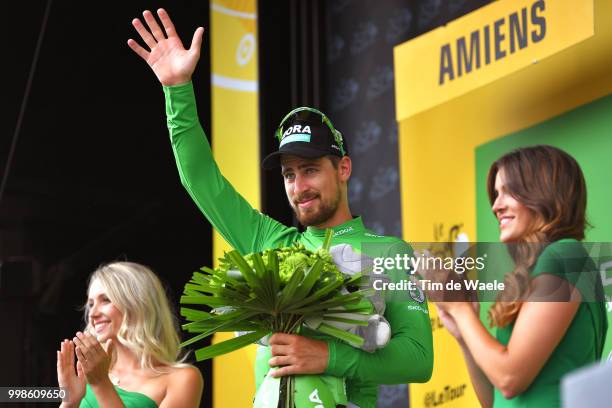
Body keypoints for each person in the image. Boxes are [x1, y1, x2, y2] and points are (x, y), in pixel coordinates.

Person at [126, 8, 433, 408]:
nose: (299, 186)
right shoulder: (268, 242)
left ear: (343, 168)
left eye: (310, 170)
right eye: (289, 174)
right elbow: (201, 180)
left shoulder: (390, 253)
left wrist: (327, 356)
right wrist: (177, 89)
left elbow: (419, 359)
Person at [431, 145, 608, 407]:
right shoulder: (549, 265)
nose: (496, 206)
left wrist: (459, 309)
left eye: (508, 192)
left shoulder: (565, 255)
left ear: (544, 190)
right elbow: (494, 399)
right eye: (495, 195)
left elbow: (509, 378)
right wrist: (463, 335)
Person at [56, 262, 203, 407]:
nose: (93, 314)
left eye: (106, 300)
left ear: (138, 304)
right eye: (91, 304)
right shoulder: (89, 374)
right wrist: (69, 402)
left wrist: (101, 384)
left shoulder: (182, 379)